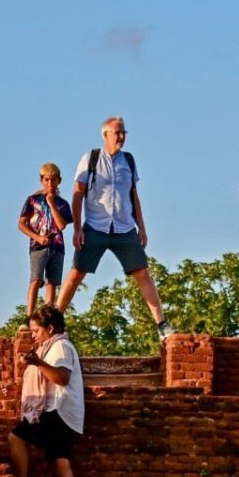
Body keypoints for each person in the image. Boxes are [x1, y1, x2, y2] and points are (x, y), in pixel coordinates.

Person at [55, 117, 176, 340]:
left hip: (124, 227)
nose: (121, 136)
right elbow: (77, 194)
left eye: (123, 132)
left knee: (143, 273)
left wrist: (142, 227)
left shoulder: (128, 161)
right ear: (105, 134)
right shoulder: (90, 159)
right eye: (117, 132)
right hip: (95, 225)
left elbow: (134, 195)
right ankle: (54, 321)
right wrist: (77, 229)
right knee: (76, 273)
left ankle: (162, 325)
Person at [9, 305, 84, 477]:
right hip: (64, 412)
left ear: (50, 329)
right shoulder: (51, 348)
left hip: (58, 410)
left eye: (36, 331)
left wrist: (38, 362)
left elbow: (62, 378)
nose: (33, 335)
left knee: (15, 438)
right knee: (60, 460)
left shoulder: (61, 346)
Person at [18, 162, 73, 325]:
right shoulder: (32, 200)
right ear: (42, 180)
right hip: (38, 246)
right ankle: (28, 315)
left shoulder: (62, 204)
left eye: (53, 180)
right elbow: (21, 224)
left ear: (59, 181)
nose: (50, 183)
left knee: (52, 282)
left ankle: (48, 316)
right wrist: (36, 237)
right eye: (47, 180)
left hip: (57, 246)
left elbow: (62, 224)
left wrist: (51, 203)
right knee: (35, 279)